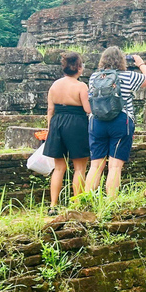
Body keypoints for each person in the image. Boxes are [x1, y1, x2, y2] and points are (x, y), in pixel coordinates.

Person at [85, 46, 146, 197]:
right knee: (115, 166)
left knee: (96, 165)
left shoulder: (94, 77)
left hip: (97, 122)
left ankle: (86, 202)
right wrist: (141, 64)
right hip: (120, 121)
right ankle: (111, 203)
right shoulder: (128, 76)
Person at [44, 52, 91, 216]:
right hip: (77, 123)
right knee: (79, 168)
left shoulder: (54, 85)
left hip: (57, 123)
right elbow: (88, 109)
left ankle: (53, 205)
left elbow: (50, 110)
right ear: (78, 67)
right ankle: (77, 204)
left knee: (59, 168)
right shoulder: (81, 86)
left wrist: (51, 129)